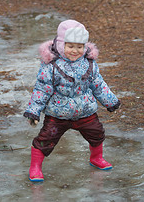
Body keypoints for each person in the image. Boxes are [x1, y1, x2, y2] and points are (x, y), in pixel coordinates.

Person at [23, 19, 121, 182]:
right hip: (58, 114)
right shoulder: (52, 66)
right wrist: (34, 112)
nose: (75, 51)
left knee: (96, 134)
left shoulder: (89, 64)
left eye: (79, 46)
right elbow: (41, 90)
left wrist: (110, 101)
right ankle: (35, 167)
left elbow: (98, 84)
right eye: (70, 46)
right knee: (45, 139)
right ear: (61, 45)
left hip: (85, 112)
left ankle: (96, 158)